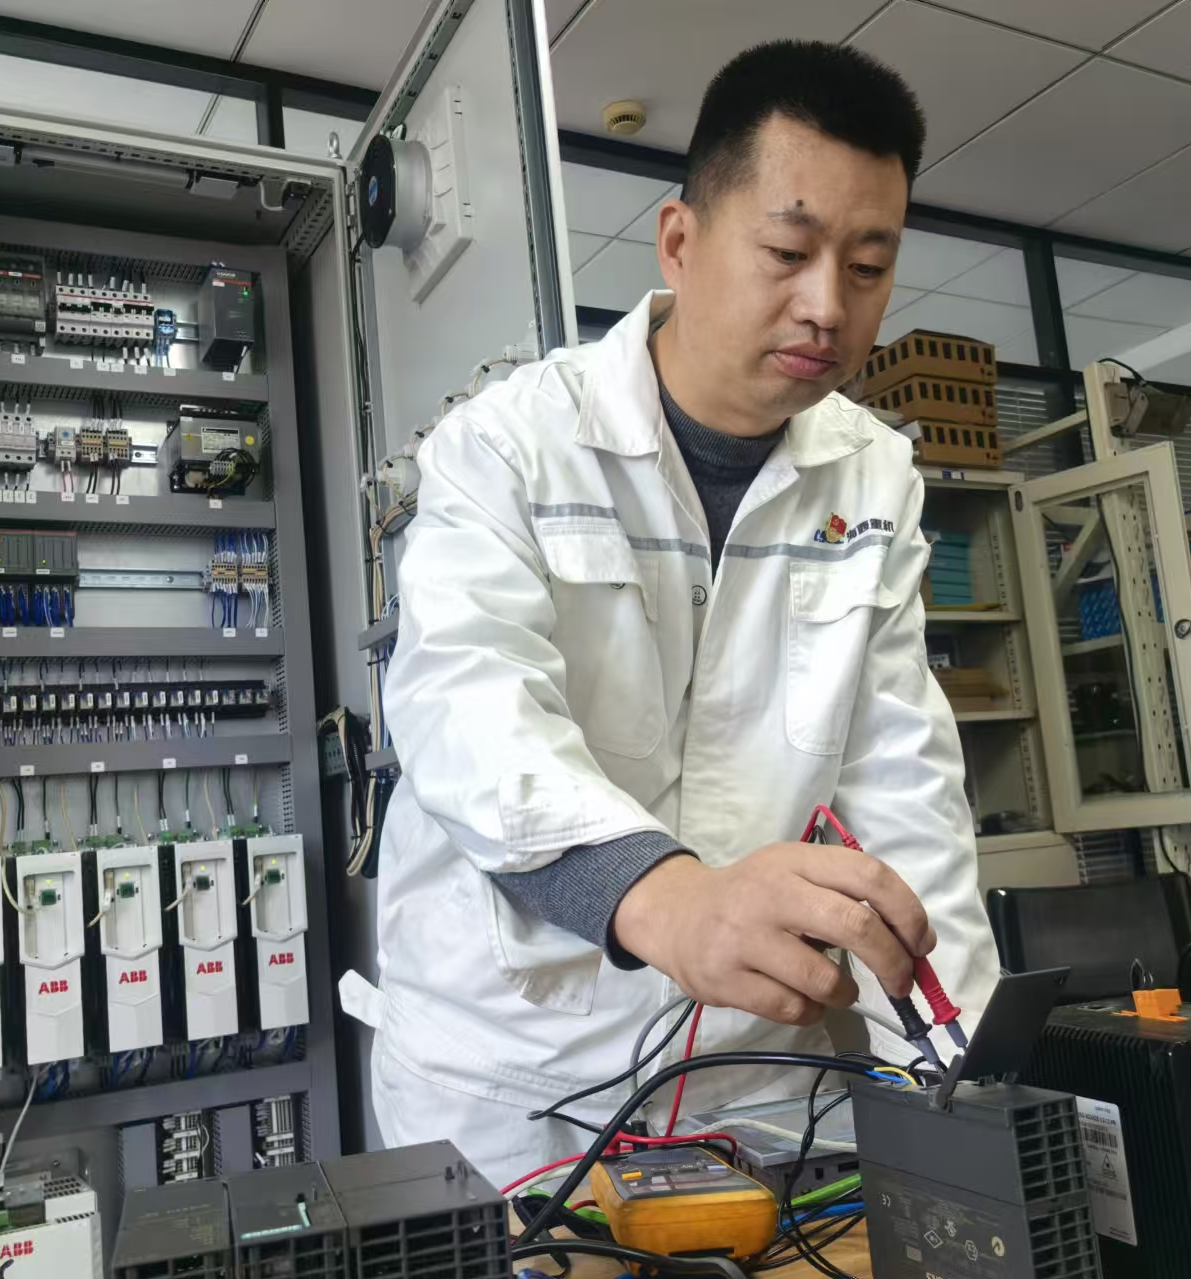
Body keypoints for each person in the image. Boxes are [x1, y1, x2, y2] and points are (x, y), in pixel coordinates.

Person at [355, 39, 998, 1185]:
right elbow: (468, 708)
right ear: (679, 242)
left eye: (866, 267)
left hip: (756, 1073)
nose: (826, 305)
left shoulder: (872, 476)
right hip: (506, 1076)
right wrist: (668, 901)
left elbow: (903, 789)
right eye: (787, 252)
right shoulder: (508, 443)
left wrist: (957, 1070)